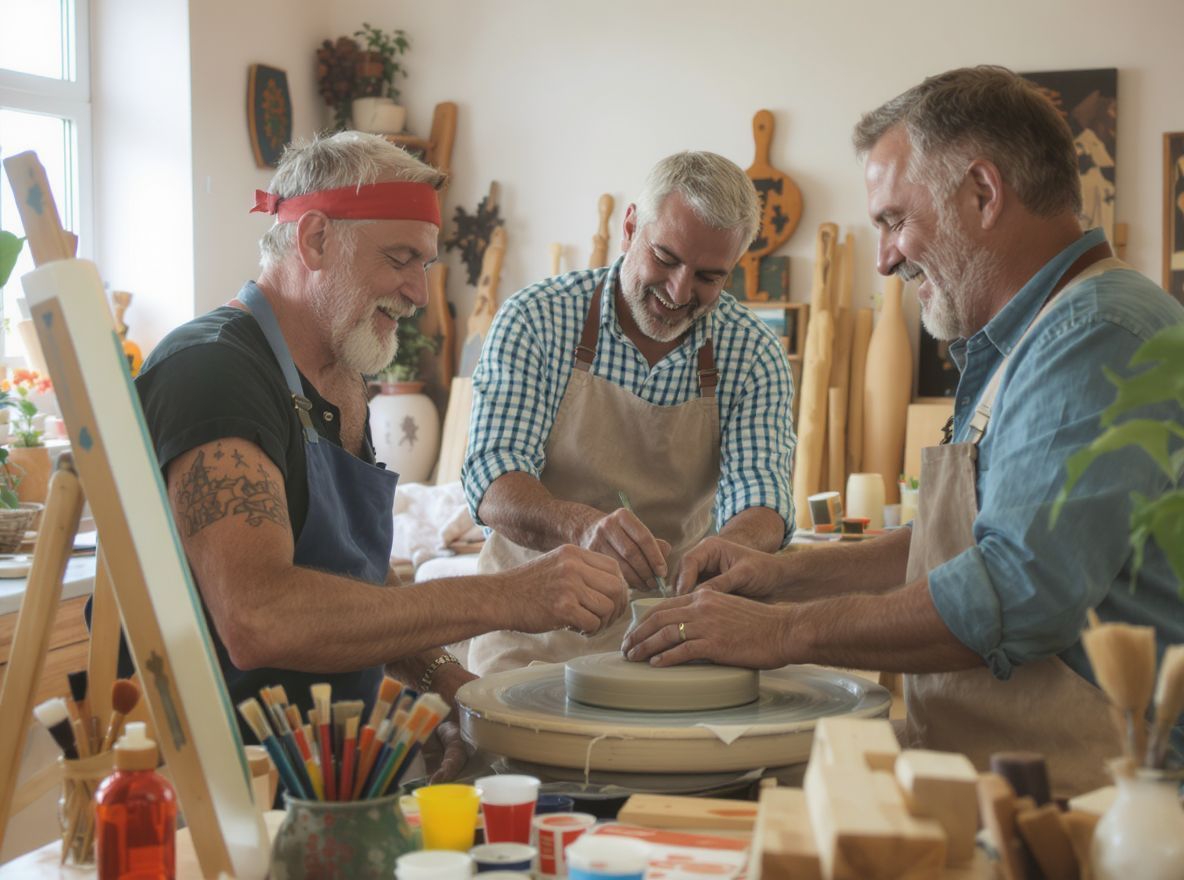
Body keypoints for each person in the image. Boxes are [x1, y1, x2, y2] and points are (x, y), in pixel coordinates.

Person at [623, 66, 1184, 795]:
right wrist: (784, 577)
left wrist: (781, 633)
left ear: (983, 193)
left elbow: (1018, 590)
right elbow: (959, 543)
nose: (885, 258)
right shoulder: (1031, 337)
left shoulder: (1096, 335)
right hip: (1015, 773)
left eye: (893, 220)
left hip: (1112, 795)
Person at [135, 131, 627, 778]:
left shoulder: (339, 376)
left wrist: (444, 682)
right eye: (400, 259)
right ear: (315, 240)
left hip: (329, 764)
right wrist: (507, 596)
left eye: (424, 265)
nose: (419, 292)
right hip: (221, 781)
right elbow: (260, 617)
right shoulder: (211, 372)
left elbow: (352, 580)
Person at [460, 151, 796, 676]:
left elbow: (763, 500)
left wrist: (724, 553)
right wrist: (579, 528)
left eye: (709, 276)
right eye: (666, 258)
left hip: (674, 634)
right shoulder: (537, 319)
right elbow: (492, 478)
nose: (679, 291)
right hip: (531, 630)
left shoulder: (752, 352)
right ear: (631, 227)